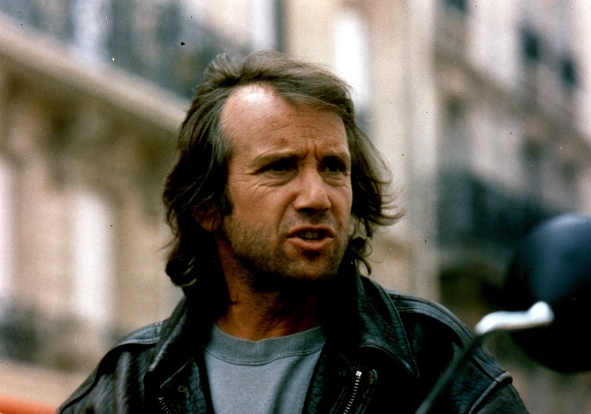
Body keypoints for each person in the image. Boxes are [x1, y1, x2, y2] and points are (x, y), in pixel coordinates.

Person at [58, 50, 528, 413]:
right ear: (207, 207)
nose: (317, 197)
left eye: (333, 167)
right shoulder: (129, 385)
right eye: (280, 167)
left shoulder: (432, 358)